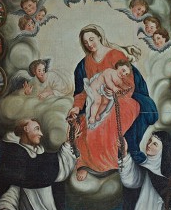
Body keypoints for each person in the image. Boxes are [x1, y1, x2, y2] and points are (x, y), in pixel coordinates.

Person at [67, 25, 158, 181]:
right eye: (86, 42)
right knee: (83, 123)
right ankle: (86, 164)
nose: (89, 44)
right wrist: (76, 107)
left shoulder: (115, 55)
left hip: (122, 98)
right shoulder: (84, 64)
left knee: (109, 122)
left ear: (99, 37)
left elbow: (129, 83)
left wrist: (115, 94)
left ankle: (111, 162)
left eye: (92, 39)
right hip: (96, 100)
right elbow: (82, 92)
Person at [82, 60, 134, 126]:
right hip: (95, 88)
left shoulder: (119, 80)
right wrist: (114, 88)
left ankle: (97, 113)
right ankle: (92, 116)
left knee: (105, 102)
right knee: (98, 100)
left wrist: (126, 89)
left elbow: (122, 87)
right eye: (123, 70)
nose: (123, 74)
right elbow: (108, 81)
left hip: (103, 92)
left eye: (126, 74)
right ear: (118, 66)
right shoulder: (109, 71)